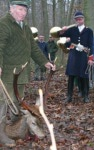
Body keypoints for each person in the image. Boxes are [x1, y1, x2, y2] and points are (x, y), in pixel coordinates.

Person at [0, 0, 55, 147]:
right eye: (20, 9)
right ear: (11, 9)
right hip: (6, 73)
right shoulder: (4, 24)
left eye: (25, 10)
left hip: (21, 73)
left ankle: (14, 129)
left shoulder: (26, 28)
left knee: (18, 103)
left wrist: (44, 62)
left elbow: (33, 48)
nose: (23, 13)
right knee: (3, 103)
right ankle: (1, 133)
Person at [60, 11, 94, 103]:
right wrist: (63, 29)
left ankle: (86, 95)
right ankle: (69, 96)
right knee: (71, 76)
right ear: (75, 20)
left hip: (84, 55)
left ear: (83, 19)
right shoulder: (71, 30)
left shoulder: (89, 31)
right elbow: (59, 34)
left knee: (84, 76)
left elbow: (91, 45)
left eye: (81, 18)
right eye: (77, 19)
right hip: (73, 55)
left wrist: (91, 58)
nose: (79, 20)